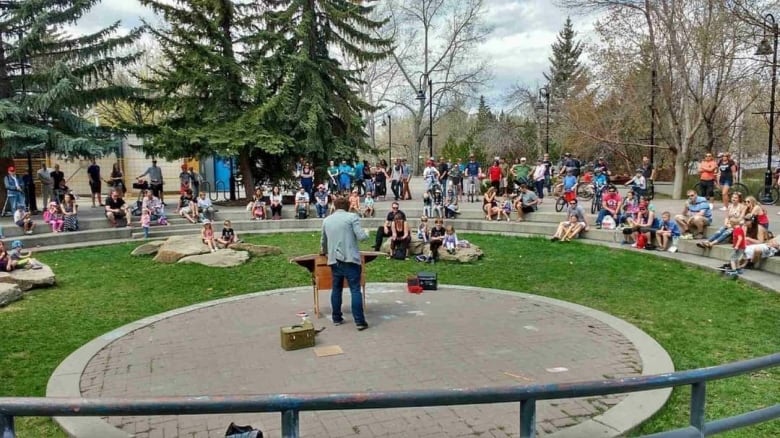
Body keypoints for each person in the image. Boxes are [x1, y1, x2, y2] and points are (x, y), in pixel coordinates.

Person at [320, 195, 369, 330]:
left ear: (335, 206)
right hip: (350, 259)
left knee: (336, 289)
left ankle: (336, 318)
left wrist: (324, 252)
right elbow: (361, 237)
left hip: (334, 260)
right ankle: (359, 321)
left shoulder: (327, 220)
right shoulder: (352, 217)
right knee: (355, 290)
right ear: (348, 207)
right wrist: (367, 232)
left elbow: (323, 242)